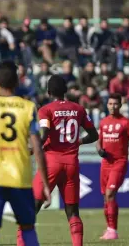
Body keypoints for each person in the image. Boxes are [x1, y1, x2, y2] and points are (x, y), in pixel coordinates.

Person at [0, 60, 51, 246]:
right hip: (20, 177)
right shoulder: (28, 107)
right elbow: (37, 148)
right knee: (28, 227)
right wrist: (45, 183)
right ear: (17, 82)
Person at [23, 75, 99, 246]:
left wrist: (31, 149)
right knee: (72, 211)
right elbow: (94, 135)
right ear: (65, 90)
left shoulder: (45, 110)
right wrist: (79, 141)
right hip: (72, 164)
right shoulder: (78, 109)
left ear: (49, 92)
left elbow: (43, 135)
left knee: (31, 209)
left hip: (51, 163)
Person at [96, 93, 129, 240]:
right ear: (107, 105)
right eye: (110, 104)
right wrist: (99, 150)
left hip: (119, 163)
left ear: (120, 105)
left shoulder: (126, 123)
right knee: (105, 197)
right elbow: (99, 141)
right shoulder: (103, 122)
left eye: (115, 104)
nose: (112, 106)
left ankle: (113, 230)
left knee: (110, 194)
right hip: (105, 164)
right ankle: (109, 228)